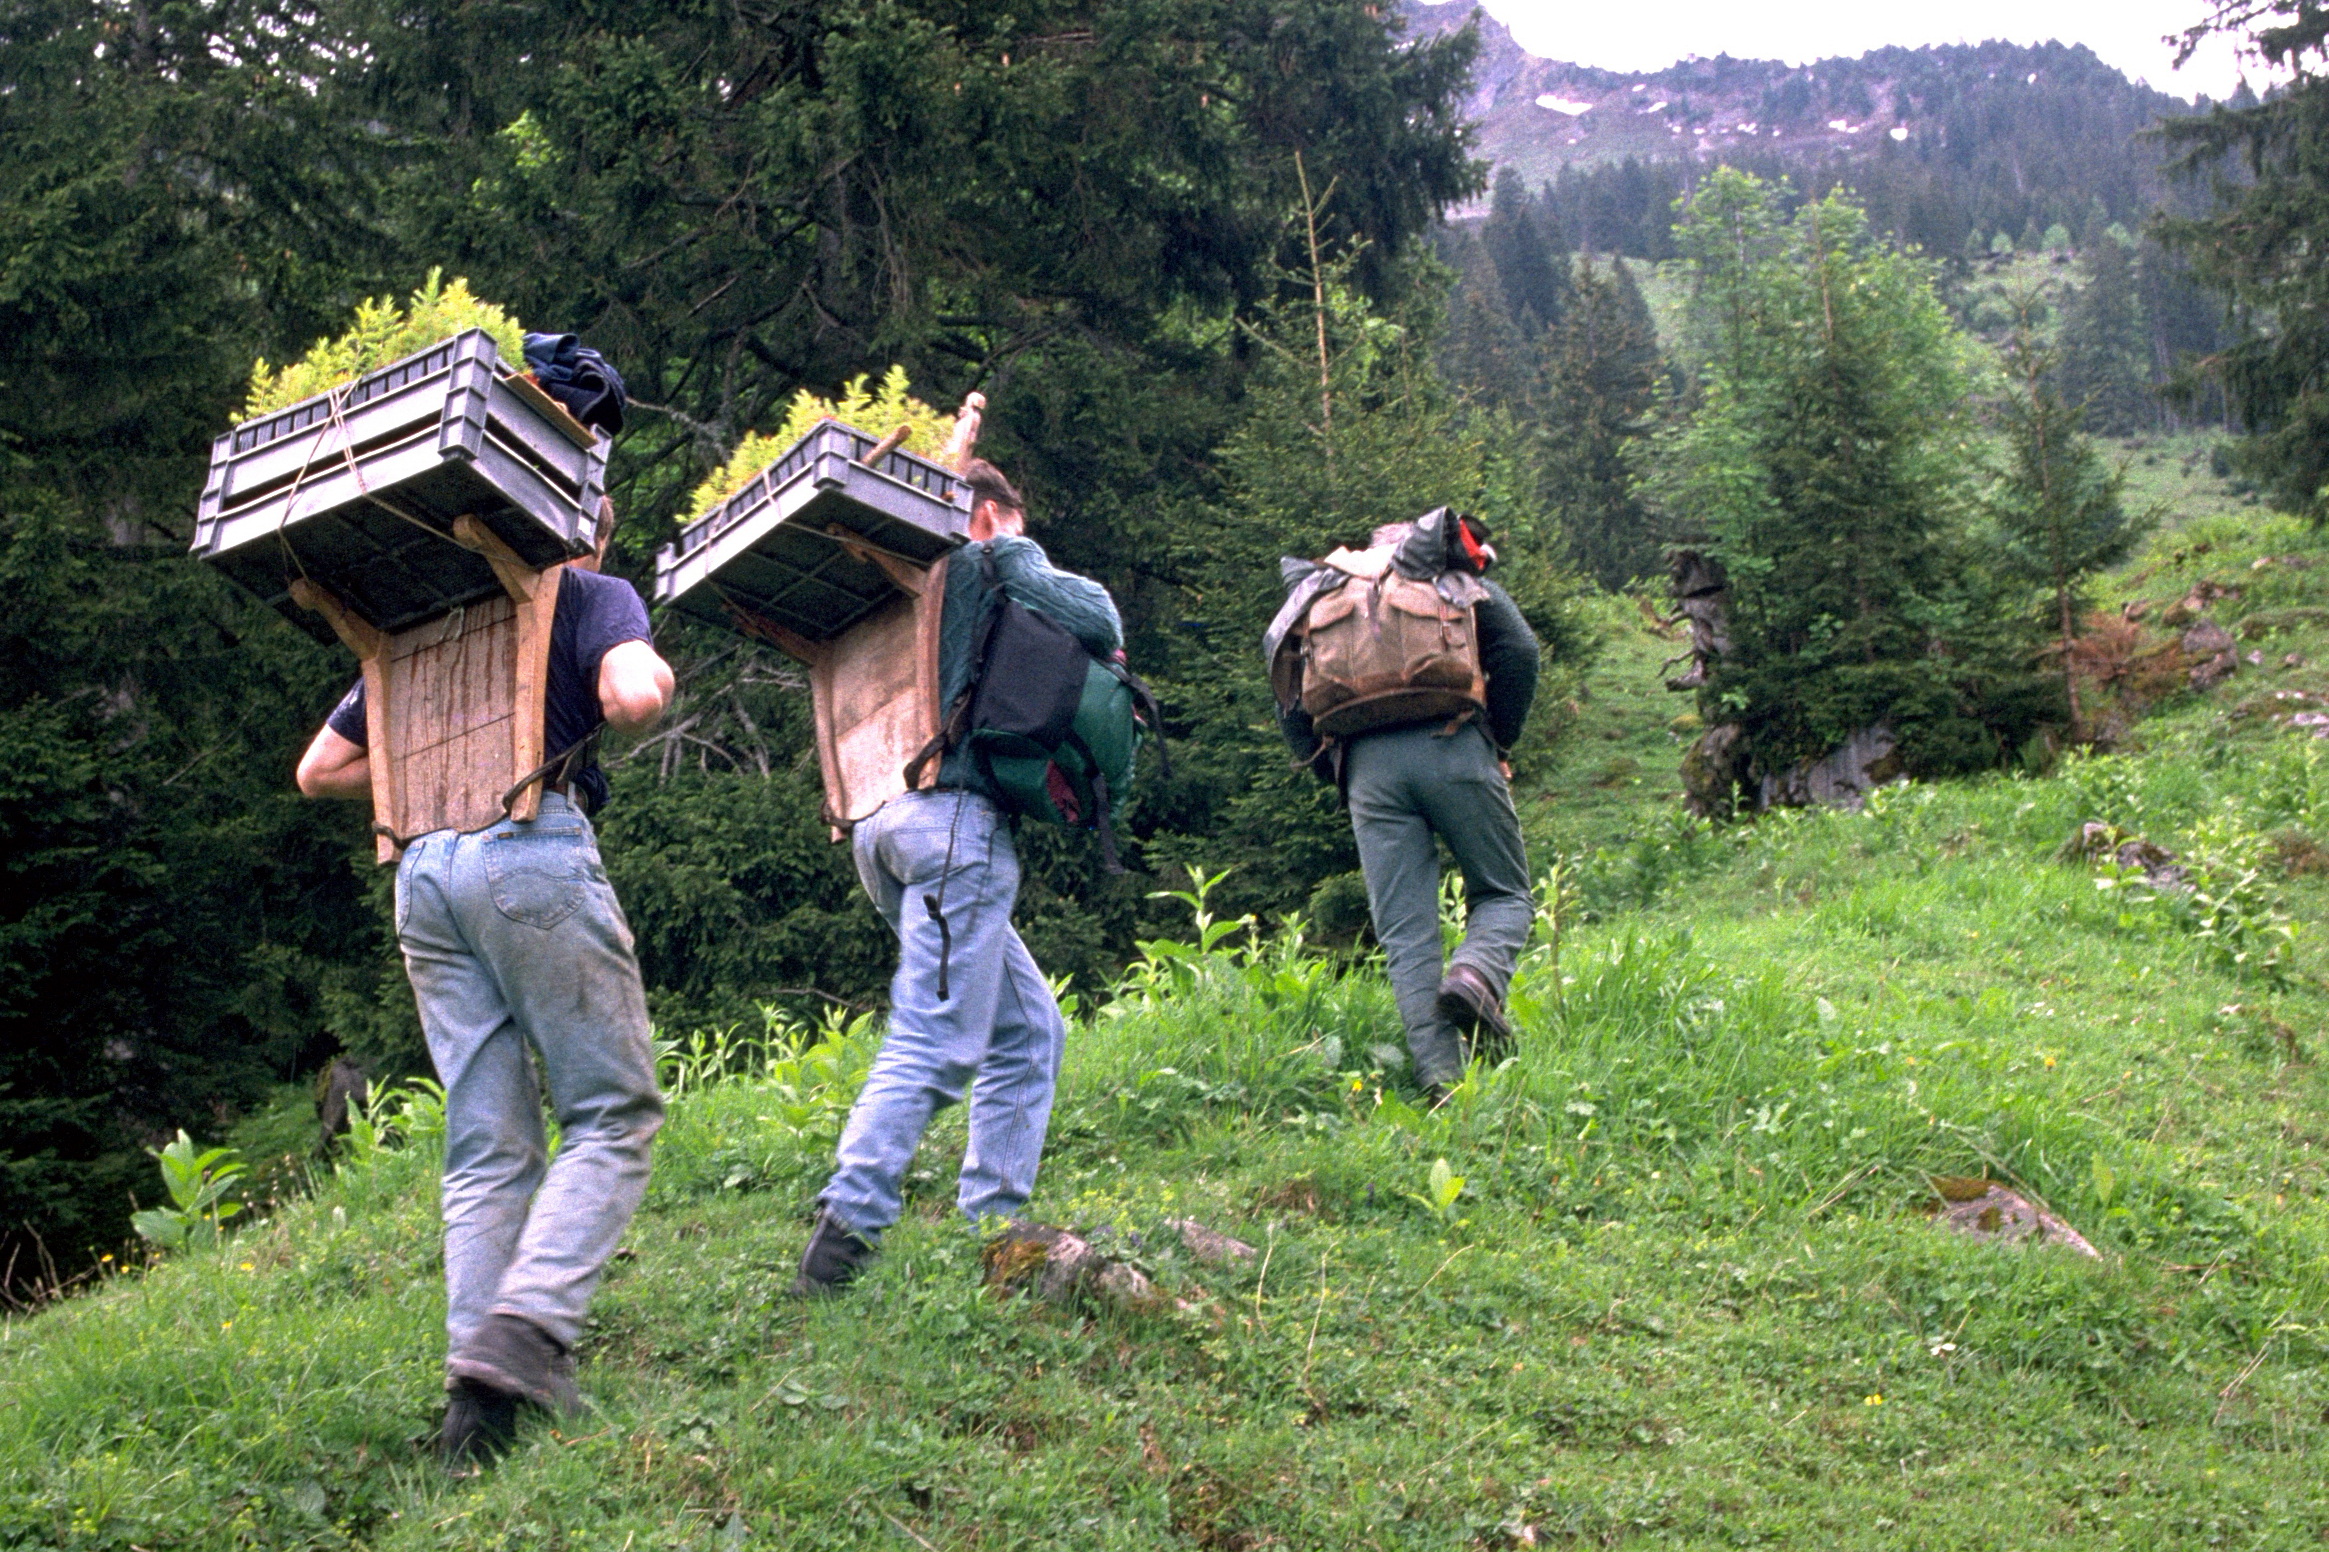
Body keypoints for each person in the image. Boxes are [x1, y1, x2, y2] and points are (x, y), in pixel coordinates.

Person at [294, 498, 675, 1465]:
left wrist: (426, 757)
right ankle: (528, 1331)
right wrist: (644, 670)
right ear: (580, 523)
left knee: (485, 1141)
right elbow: (634, 700)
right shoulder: (585, 592)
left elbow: (319, 769)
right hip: (527, 843)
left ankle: (477, 1418)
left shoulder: (423, 626)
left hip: (422, 876)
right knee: (613, 1112)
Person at [793, 459, 1122, 1295]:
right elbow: (1097, 615)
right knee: (935, 1036)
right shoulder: (978, 562)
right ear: (984, 513)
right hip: (951, 827)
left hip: (880, 830)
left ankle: (992, 1226)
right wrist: (1009, 545)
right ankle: (847, 1227)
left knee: (1026, 1029)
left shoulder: (892, 592)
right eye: (1010, 517)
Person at [1275, 511, 1539, 1106]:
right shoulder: (1450, 582)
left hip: (1367, 767)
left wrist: (1342, 772)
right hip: (1454, 743)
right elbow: (1520, 653)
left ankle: (1442, 1083)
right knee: (1504, 893)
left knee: (1406, 931)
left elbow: (1289, 708)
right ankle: (1475, 976)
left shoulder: (1326, 593)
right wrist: (1499, 741)